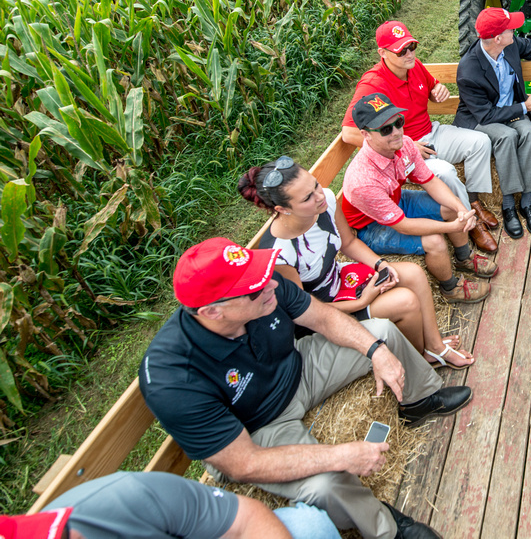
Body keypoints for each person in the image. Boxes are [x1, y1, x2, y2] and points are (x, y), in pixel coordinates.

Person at [139, 238, 472, 539]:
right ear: (213, 311)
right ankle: (387, 528)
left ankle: (418, 400)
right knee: (326, 482)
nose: (271, 285)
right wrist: (341, 455)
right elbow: (243, 464)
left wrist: (376, 351)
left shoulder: (264, 287)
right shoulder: (172, 376)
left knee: (380, 332)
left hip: (299, 367)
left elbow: (324, 319)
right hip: (259, 427)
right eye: (254, 288)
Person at [238, 157, 474, 369]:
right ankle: (418, 360)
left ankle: (434, 346)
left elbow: (348, 242)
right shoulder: (278, 254)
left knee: (413, 273)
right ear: (282, 209)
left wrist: (380, 264)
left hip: (341, 280)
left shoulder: (327, 201)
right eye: (307, 197)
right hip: (326, 312)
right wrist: (362, 301)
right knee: (406, 302)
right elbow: (303, 311)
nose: (320, 196)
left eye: (316, 185)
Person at [340, 20, 498, 253]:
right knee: (446, 173)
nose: (409, 53)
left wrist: (437, 91)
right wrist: (404, 145)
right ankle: (469, 224)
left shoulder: (413, 66)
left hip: (432, 132)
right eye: (401, 50)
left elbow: (432, 88)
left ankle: (472, 202)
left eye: (411, 46)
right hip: (407, 148)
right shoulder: (372, 84)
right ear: (382, 53)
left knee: (480, 142)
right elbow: (348, 133)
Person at [341, 93, 496, 304]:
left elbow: (430, 181)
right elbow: (403, 226)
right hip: (371, 226)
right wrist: (451, 227)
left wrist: (460, 208)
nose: (396, 132)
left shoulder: (404, 143)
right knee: (435, 241)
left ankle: (463, 257)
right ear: (365, 135)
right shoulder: (363, 181)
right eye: (386, 129)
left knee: (450, 209)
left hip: (396, 201)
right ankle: (450, 288)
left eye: (398, 122)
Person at [455, 7, 531, 239]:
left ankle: (527, 203)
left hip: (512, 111)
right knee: (507, 136)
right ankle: (508, 204)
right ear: (498, 38)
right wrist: (524, 107)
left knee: (529, 133)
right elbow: (487, 115)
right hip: (482, 118)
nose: (516, 31)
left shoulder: (509, 45)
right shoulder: (468, 70)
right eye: (512, 28)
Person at [2, 471, 340, 539]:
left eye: (59, 534)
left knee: (309, 527)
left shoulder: (124, 495)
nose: (70, 536)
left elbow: (246, 518)